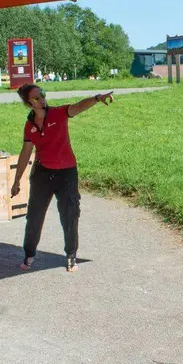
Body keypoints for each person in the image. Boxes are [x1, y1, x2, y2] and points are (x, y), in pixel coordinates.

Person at [10, 83, 112, 272]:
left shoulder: (58, 113)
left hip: (66, 172)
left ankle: (71, 255)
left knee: (70, 214)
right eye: (36, 98)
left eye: (42, 95)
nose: (42, 99)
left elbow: (78, 107)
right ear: (28, 103)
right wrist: (17, 180)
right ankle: (29, 255)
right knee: (34, 216)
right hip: (42, 174)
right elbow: (25, 152)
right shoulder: (29, 125)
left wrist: (97, 98)